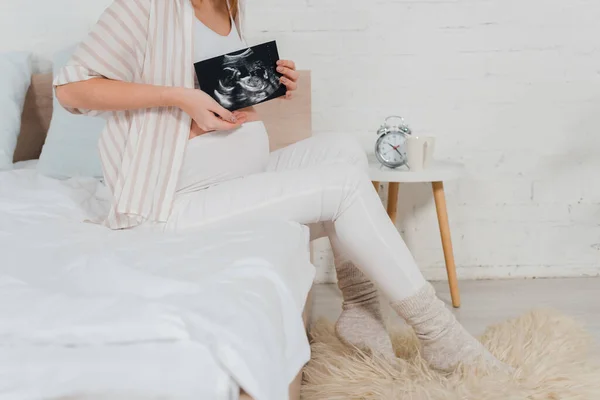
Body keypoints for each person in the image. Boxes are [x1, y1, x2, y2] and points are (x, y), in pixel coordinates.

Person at [54, 0, 508, 373]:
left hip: (232, 179)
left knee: (344, 149)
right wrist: (178, 96)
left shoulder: (231, 8)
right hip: (173, 201)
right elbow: (71, 89)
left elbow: (218, 100)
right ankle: (439, 336)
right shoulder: (144, 7)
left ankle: (361, 311)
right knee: (345, 185)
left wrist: (268, 86)